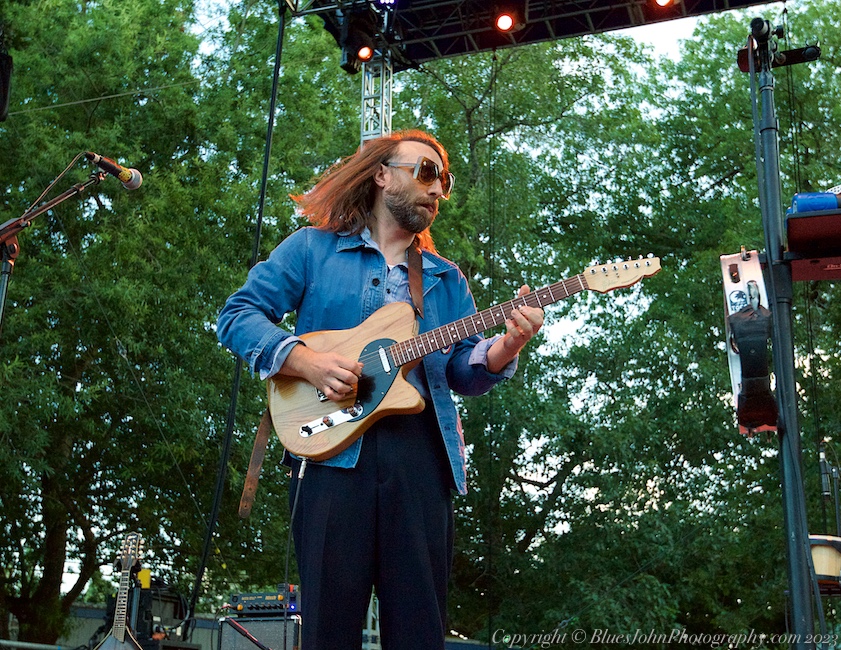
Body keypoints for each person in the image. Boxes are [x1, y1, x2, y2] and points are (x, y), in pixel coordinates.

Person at [216, 129, 543, 650]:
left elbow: (463, 369)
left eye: (445, 180)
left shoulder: (444, 278)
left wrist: (508, 347)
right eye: (426, 172)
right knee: (329, 630)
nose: (438, 189)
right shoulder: (312, 250)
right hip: (328, 453)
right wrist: (308, 363)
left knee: (419, 629)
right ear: (381, 174)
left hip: (420, 460)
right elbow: (236, 316)